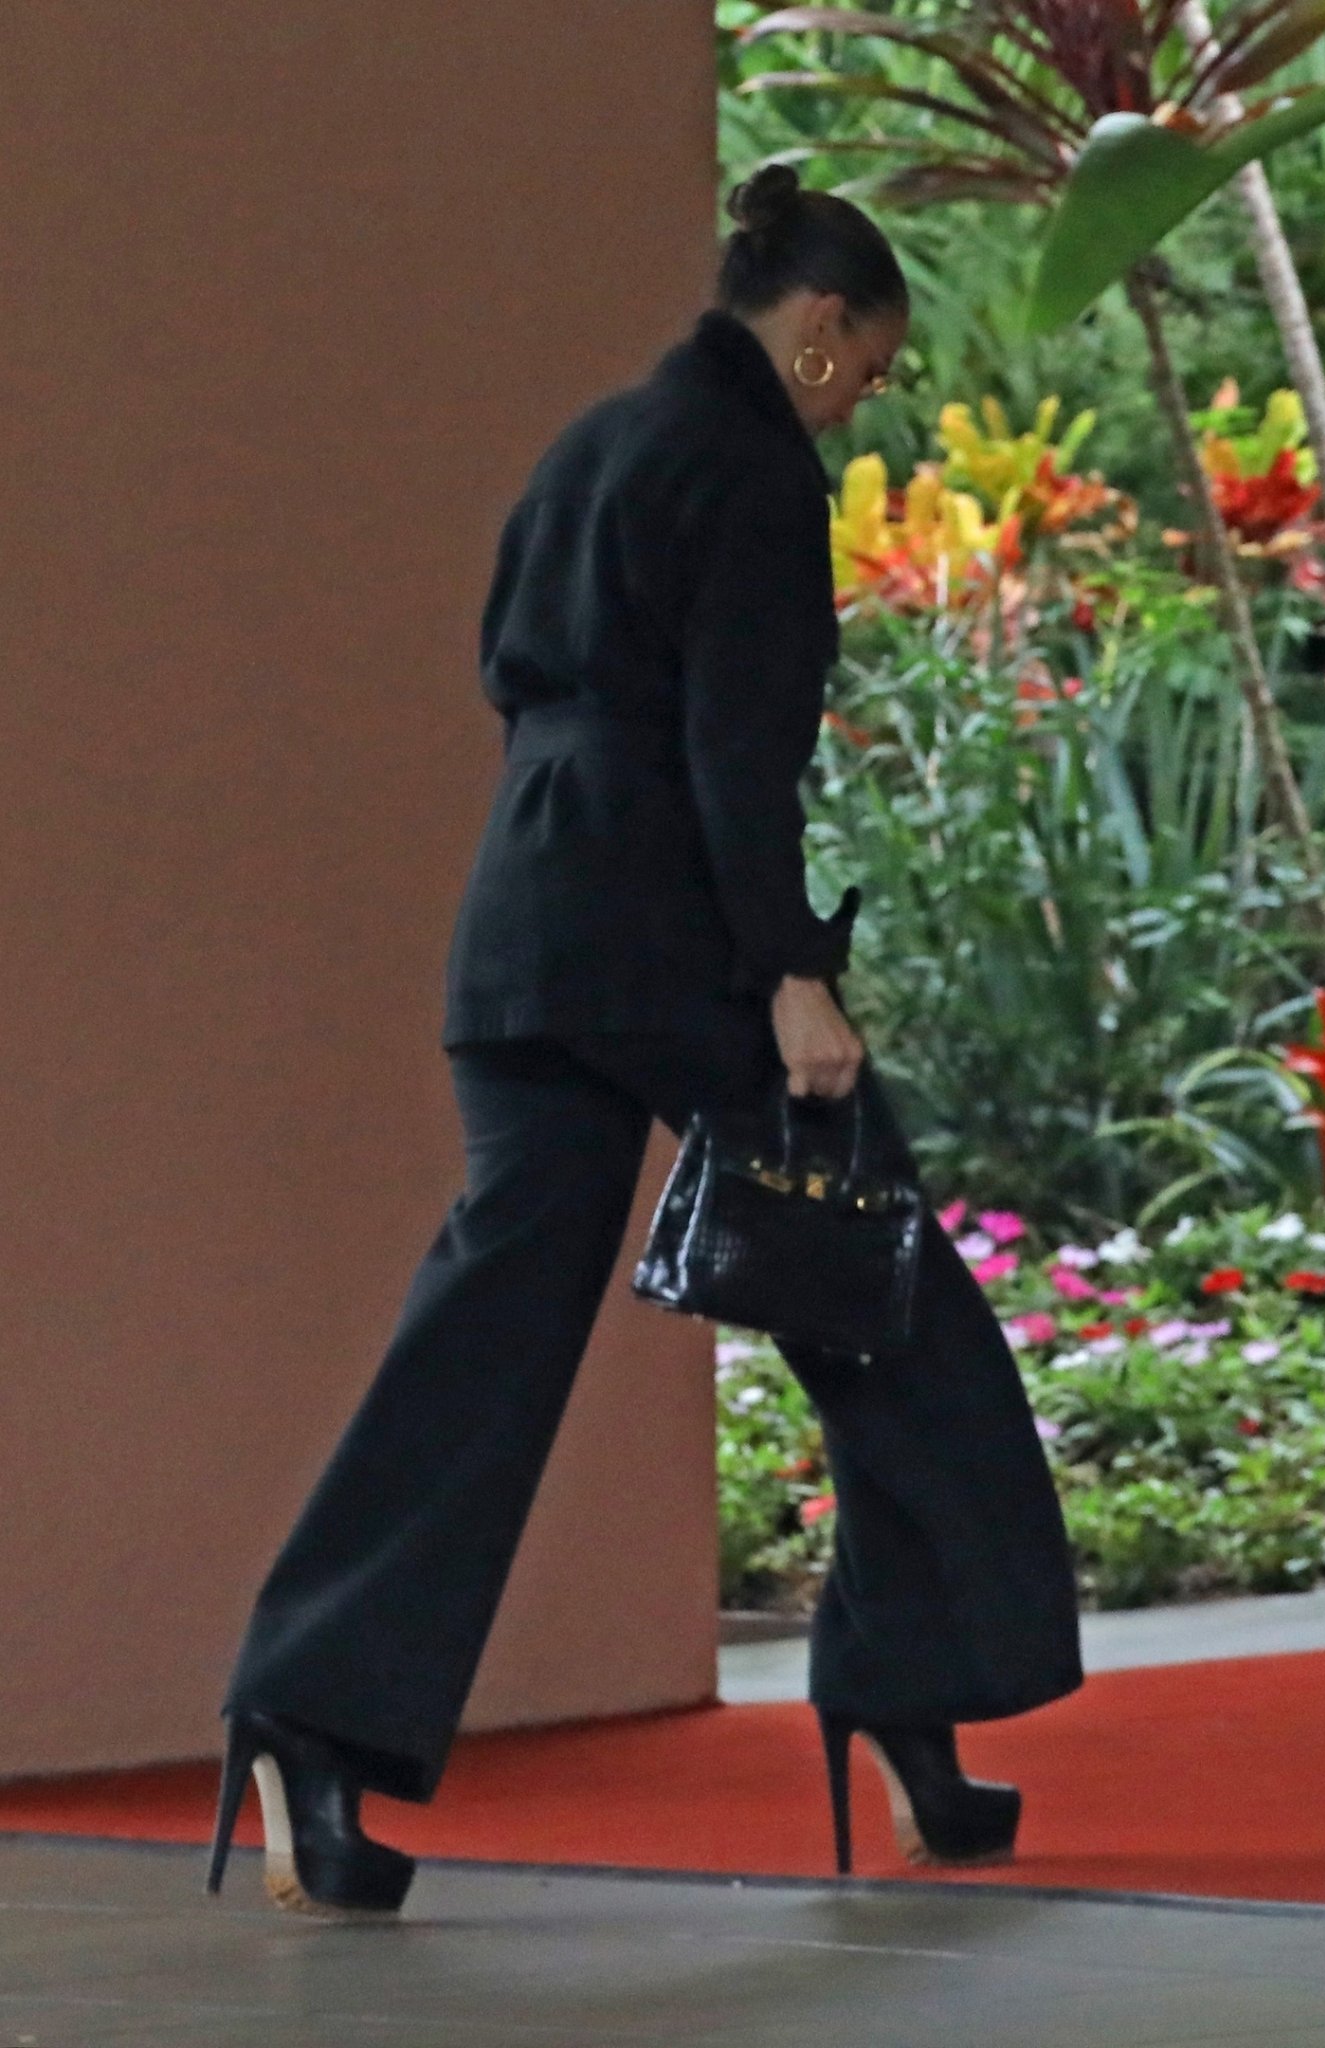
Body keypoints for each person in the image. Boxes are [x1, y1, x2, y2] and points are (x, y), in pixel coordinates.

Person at [206, 163, 1085, 1918]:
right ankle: (910, 1690)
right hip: (669, 936)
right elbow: (735, 748)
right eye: (870, 369)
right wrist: (791, 976)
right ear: (818, 326)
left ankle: (311, 1719)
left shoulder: (592, 446)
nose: (861, 403)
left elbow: (523, 682)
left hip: (526, 926)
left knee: (482, 1340)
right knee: (887, 1294)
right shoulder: (747, 466)